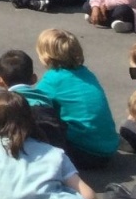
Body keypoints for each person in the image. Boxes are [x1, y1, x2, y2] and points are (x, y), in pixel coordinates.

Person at [35, 28, 119, 170]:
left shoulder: (53, 79)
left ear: (46, 56)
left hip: (85, 153)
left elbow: (32, 102)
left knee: (36, 115)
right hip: (108, 148)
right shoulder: (87, 73)